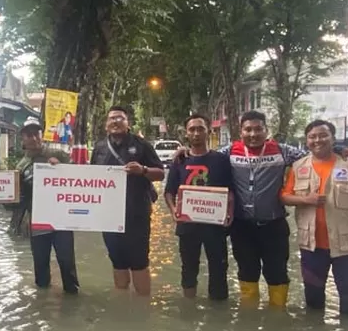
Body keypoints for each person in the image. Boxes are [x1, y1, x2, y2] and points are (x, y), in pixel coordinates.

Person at [173, 110, 348, 307]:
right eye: (248, 129)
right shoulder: (229, 152)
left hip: (273, 225)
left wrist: (339, 149)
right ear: (240, 132)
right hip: (242, 227)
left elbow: (314, 154)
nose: (253, 134)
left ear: (266, 130)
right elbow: (203, 155)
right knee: (246, 273)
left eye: (258, 129)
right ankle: (249, 321)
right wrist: (183, 151)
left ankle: (277, 322)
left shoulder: (282, 151)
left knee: (277, 275)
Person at [281, 119, 348, 316]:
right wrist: (306, 198)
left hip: (347, 245)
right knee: (313, 300)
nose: (318, 140)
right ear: (306, 141)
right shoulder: (298, 167)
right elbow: (284, 196)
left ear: (333, 138)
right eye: (312, 137)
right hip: (312, 246)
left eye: (323, 135)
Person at [90, 105, 164, 296]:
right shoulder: (99, 148)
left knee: (139, 263)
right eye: (112, 118)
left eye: (120, 118)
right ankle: (122, 305)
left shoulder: (141, 145)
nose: (116, 121)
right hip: (109, 217)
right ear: (106, 124)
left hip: (136, 214)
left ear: (127, 123)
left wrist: (143, 170)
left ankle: (142, 308)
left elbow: (161, 174)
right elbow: (90, 179)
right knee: (117, 261)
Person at [164, 114, 234, 300]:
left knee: (219, 269)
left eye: (200, 128)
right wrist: (174, 212)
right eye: (192, 129)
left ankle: (218, 313)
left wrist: (230, 212)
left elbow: (231, 191)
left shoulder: (221, 160)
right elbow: (169, 192)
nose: (196, 133)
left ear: (208, 131)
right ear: (186, 134)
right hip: (187, 226)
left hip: (215, 225)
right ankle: (189, 309)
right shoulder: (180, 161)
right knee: (188, 270)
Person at [15, 117, 79, 294]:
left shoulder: (58, 155)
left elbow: (80, 180)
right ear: (23, 139)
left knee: (67, 263)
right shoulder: (20, 167)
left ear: (41, 135)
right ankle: (42, 303)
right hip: (37, 222)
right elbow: (17, 200)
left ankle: (73, 300)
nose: (33, 138)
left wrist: (62, 169)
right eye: (29, 135)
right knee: (40, 265)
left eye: (36, 134)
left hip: (62, 219)